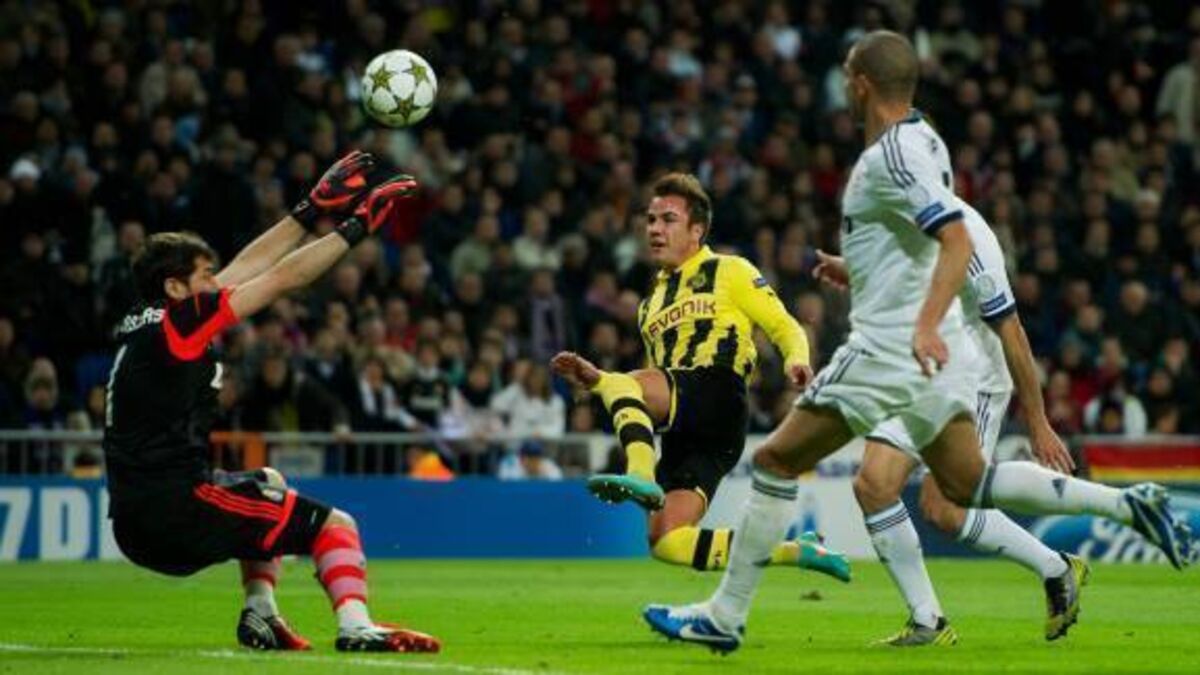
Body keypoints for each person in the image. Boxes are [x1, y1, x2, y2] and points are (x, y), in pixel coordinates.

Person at [643, 31, 1192, 654]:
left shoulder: (898, 161)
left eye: (847, 75)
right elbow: (920, 246)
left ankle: (726, 616)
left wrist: (947, 341)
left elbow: (963, 256)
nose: (842, 86)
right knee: (954, 484)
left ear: (861, 85)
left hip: (911, 353)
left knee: (778, 462)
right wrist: (859, 270)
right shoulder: (922, 140)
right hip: (927, 358)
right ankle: (1125, 507)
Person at [101, 150, 440, 653]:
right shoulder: (179, 323)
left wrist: (308, 210)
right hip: (176, 510)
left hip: (136, 519)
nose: (217, 283)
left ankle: (261, 615)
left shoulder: (149, 322)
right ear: (174, 286)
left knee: (270, 483)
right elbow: (282, 278)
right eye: (205, 277)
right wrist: (355, 228)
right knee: (337, 526)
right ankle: (356, 626)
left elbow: (246, 269)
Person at [814, 201, 1091, 643]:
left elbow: (1013, 334)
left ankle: (1056, 568)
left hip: (974, 380)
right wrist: (850, 269)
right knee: (873, 484)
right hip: (920, 373)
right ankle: (928, 621)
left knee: (946, 510)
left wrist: (1037, 421)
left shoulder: (971, 242)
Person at [551, 172, 849, 580]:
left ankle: (639, 472)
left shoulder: (729, 270)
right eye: (650, 220)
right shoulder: (649, 305)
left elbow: (784, 325)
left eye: (668, 219)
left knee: (625, 382)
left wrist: (796, 359)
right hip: (689, 427)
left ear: (697, 230)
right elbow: (653, 380)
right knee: (667, 540)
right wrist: (598, 380)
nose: (654, 229)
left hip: (718, 391)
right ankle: (796, 550)